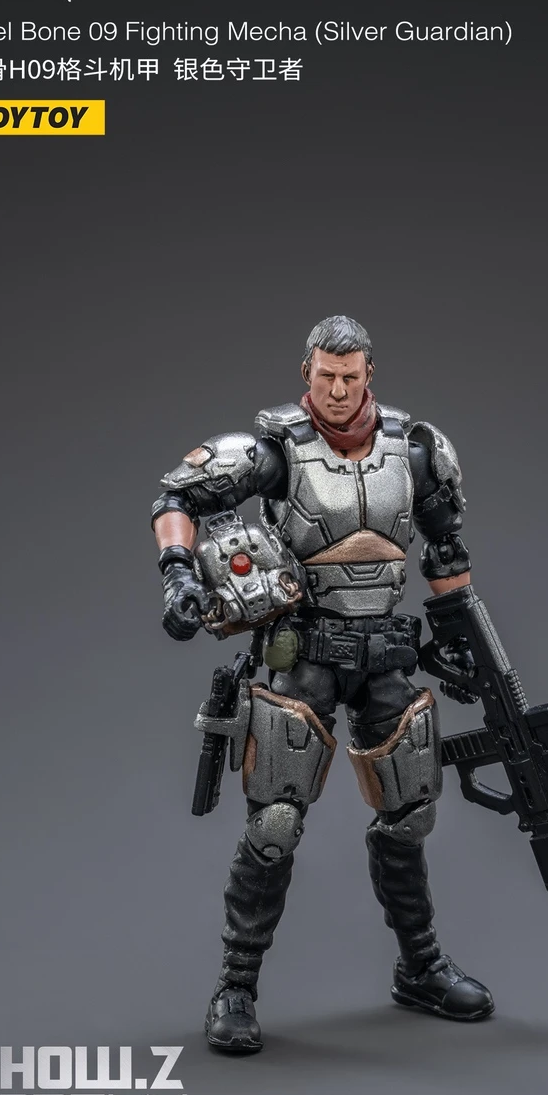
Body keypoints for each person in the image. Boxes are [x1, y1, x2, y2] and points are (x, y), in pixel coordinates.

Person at [151, 315, 493, 1053]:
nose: (338, 390)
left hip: (387, 654)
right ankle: (236, 987)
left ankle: (420, 967)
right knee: (275, 823)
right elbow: (176, 498)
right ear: (307, 372)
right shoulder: (275, 452)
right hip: (302, 653)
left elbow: (446, 550)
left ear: (370, 374)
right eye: (327, 376)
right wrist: (178, 576)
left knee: (410, 816)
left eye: (351, 376)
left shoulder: (416, 451)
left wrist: (466, 639)